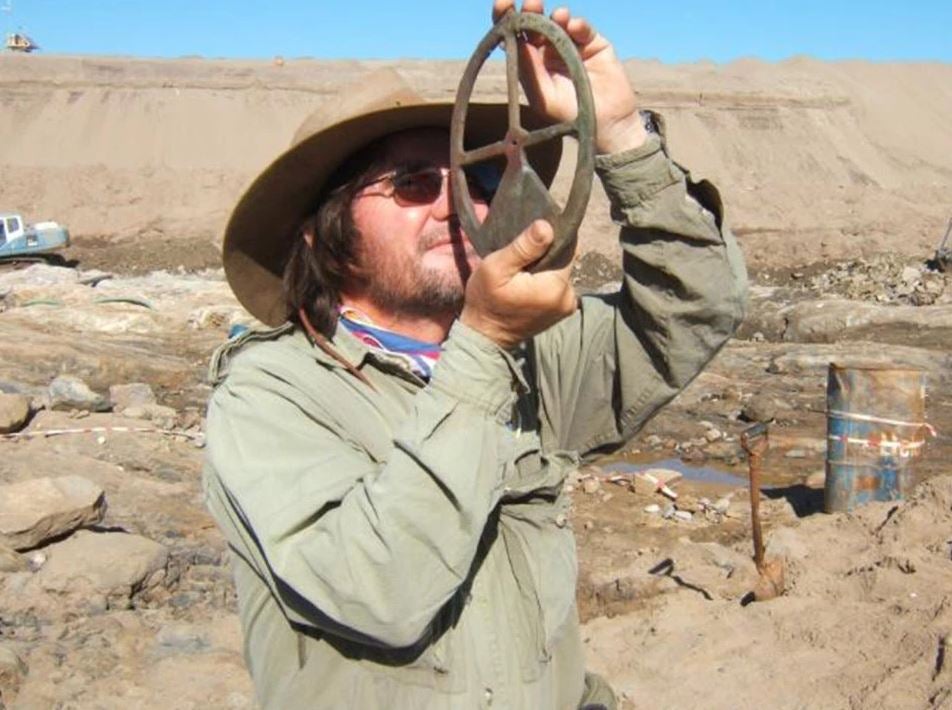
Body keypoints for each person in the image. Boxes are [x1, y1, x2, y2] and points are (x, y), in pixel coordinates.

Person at [203, 0, 748, 707]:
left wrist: (618, 135)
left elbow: (698, 308)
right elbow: (379, 590)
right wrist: (484, 344)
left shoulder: (534, 360)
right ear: (322, 234)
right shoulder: (271, 394)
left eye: (479, 179)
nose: (456, 204)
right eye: (413, 184)